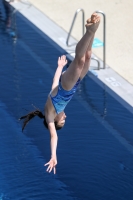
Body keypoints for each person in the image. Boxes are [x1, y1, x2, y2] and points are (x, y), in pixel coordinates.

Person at [19, 12, 100, 174]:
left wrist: (53, 155)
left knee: (80, 60)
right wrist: (59, 67)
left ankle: (89, 31)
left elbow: (53, 137)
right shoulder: (53, 107)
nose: (65, 117)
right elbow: (53, 83)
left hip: (67, 86)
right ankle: (93, 31)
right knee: (88, 57)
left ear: (55, 121)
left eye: (62, 122)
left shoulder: (50, 115)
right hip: (74, 84)